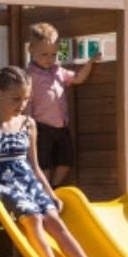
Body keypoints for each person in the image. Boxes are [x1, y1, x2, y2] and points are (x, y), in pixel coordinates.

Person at [0, 66, 127, 257]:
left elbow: (35, 166)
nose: (22, 104)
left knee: (54, 219)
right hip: (0, 182)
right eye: (16, 98)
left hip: (27, 181)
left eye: (26, 99)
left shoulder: (28, 123)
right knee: (33, 217)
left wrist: (51, 193)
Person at [25, 21, 96, 187]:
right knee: (43, 162)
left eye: (53, 54)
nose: (49, 59)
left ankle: (53, 187)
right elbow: (27, 100)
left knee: (66, 160)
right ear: (31, 50)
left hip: (62, 127)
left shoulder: (58, 71)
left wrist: (90, 63)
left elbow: (77, 78)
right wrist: (28, 123)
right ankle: (45, 189)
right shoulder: (29, 75)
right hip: (41, 126)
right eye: (44, 54)